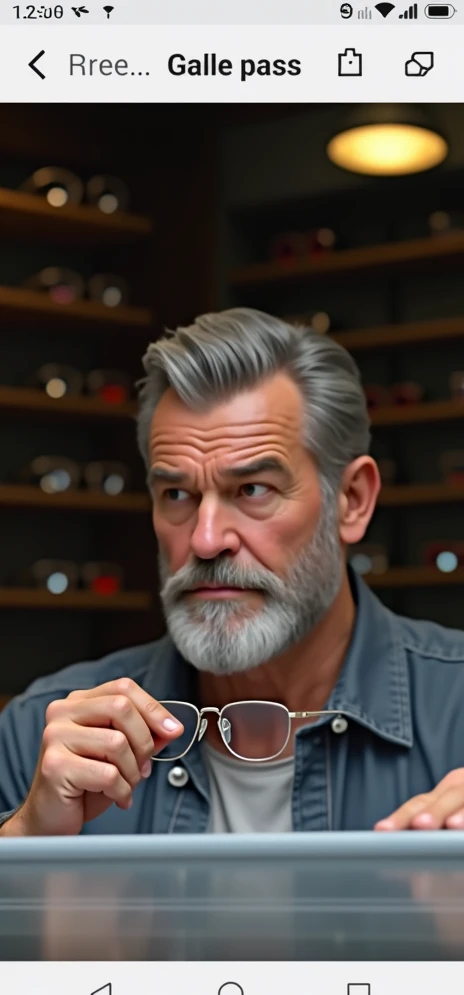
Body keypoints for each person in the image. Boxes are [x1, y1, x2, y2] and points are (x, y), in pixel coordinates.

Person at [1, 307, 464, 838]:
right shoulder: (44, 735)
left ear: (352, 501)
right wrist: (26, 845)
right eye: (177, 494)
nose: (204, 539)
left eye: (253, 490)